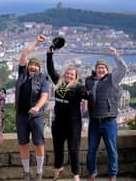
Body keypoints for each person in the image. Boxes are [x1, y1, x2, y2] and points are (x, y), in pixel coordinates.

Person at [46, 47, 92, 181]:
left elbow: (89, 97)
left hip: (73, 123)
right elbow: (50, 70)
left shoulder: (78, 87)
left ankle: (76, 175)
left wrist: (89, 95)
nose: (69, 76)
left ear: (76, 76)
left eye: (72, 74)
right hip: (58, 122)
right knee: (58, 148)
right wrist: (50, 54)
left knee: (73, 149)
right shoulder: (59, 83)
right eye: (67, 74)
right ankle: (58, 167)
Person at [85, 47, 127, 181]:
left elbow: (123, 69)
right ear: (95, 69)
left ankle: (113, 175)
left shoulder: (113, 79)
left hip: (109, 121)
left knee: (112, 151)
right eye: (99, 67)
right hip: (94, 121)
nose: (101, 69)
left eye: (103, 67)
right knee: (91, 151)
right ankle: (92, 173)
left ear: (107, 70)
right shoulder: (88, 81)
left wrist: (116, 55)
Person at [15, 35, 49, 181]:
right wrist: (37, 41)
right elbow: (24, 54)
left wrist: (37, 107)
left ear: (39, 68)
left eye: (36, 65)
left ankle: (39, 172)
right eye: (32, 64)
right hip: (21, 114)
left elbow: (45, 96)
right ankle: (27, 172)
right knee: (23, 144)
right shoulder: (22, 74)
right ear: (28, 66)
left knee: (39, 143)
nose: (33, 67)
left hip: (37, 115)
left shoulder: (43, 78)